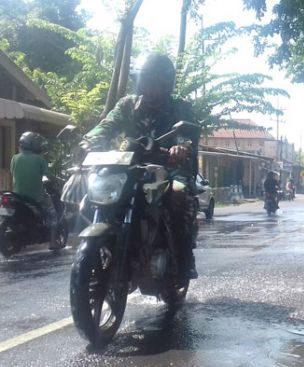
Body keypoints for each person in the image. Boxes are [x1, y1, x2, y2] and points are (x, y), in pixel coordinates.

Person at [78, 53, 200, 279]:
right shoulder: (127, 105)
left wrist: (181, 148)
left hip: (171, 168)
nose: (149, 88)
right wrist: (88, 141)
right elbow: (106, 125)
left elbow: (189, 136)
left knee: (178, 195)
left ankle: (184, 260)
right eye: (145, 81)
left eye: (155, 83)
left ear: (167, 85)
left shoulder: (180, 108)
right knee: (92, 195)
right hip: (130, 168)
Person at [10, 132, 61, 250]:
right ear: (33, 145)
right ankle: (52, 242)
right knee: (53, 215)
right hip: (36, 196)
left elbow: (14, 173)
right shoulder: (39, 159)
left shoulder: (14, 158)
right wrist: (60, 180)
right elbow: (48, 175)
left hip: (18, 196)